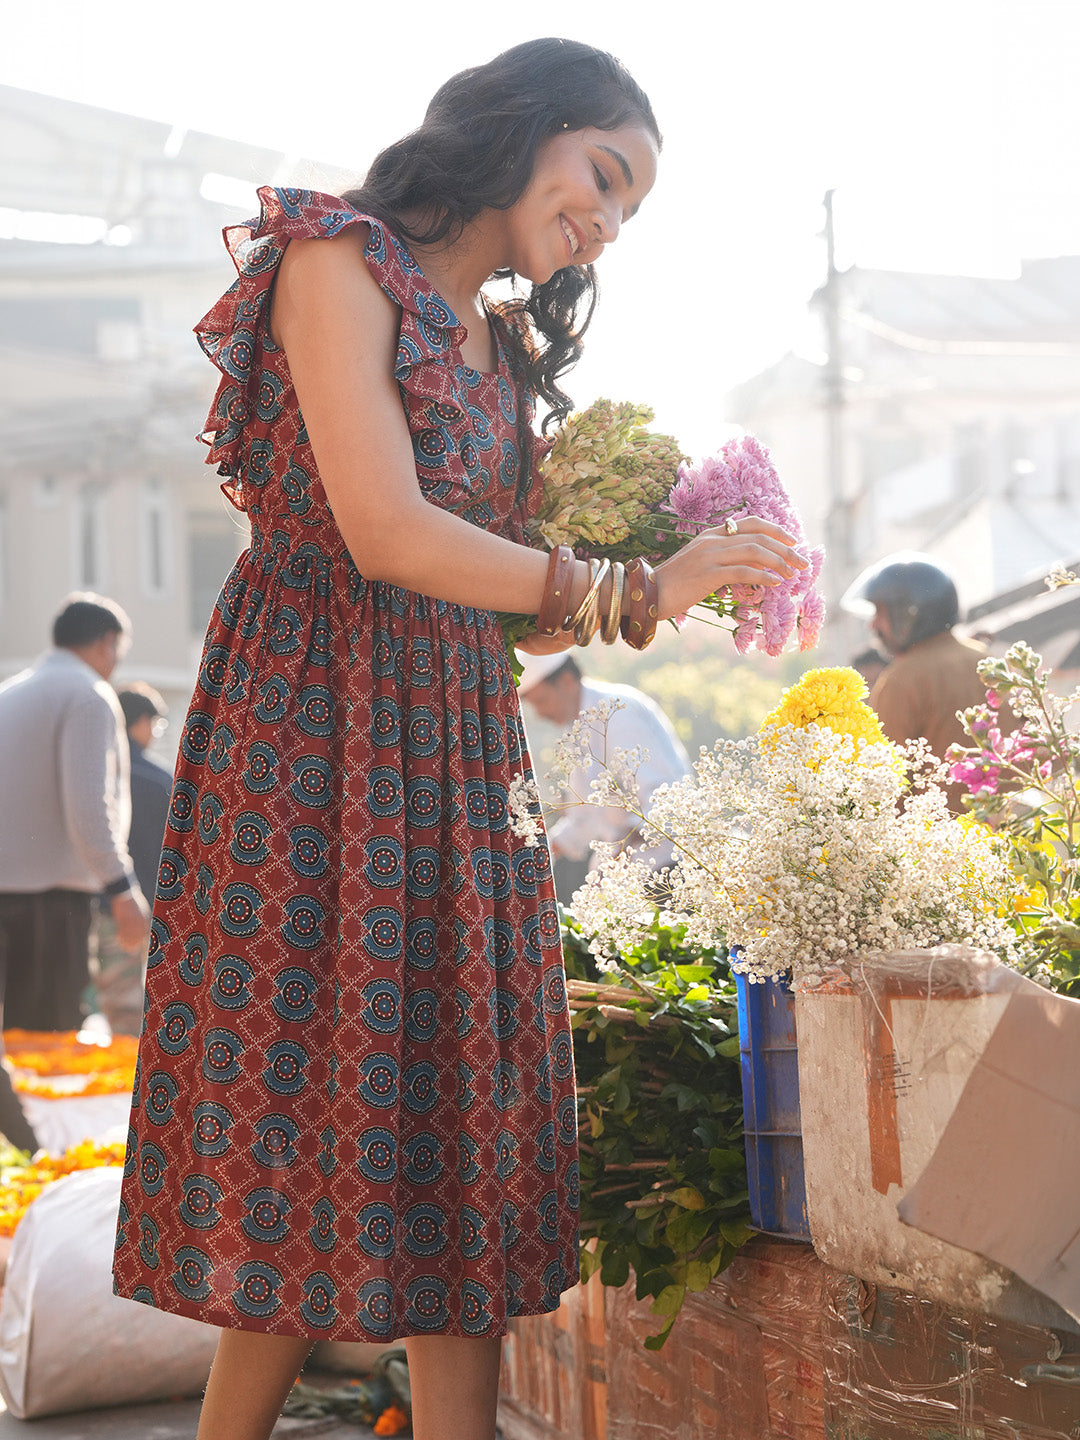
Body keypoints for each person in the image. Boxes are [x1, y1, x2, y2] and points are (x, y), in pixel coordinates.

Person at [110, 40, 806, 1440]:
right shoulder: (338, 261)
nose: (608, 221)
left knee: (452, 1116)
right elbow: (383, 533)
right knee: (300, 1099)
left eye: (632, 206)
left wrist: (675, 578)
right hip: (306, 730)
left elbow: (497, 611)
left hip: (453, 735)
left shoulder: (502, 344)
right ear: (523, 128)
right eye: (604, 173)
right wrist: (626, 589)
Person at [0, 593, 150, 1034]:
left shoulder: (11, 691)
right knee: (46, 1041)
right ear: (108, 642)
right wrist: (122, 889)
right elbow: (89, 805)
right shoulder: (88, 695)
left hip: (11, 890)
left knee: (12, 1043)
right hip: (49, 903)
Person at [517, 652, 691, 905]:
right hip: (633, 881)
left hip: (670, 871)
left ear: (566, 681)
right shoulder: (578, 729)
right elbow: (584, 817)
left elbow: (664, 801)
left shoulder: (618, 712)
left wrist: (618, 856)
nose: (540, 713)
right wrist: (532, 856)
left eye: (541, 701)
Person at [844, 553, 988, 811]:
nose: (872, 624)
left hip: (943, 831)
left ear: (908, 614)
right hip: (1015, 825)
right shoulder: (987, 659)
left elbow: (886, 787)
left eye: (879, 612)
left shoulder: (901, 680)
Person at [90, 683, 172, 1036]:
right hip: (150, 906)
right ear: (140, 722)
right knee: (137, 1012)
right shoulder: (162, 780)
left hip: (98, 902)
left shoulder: (97, 773)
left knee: (105, 1003)